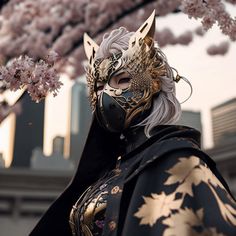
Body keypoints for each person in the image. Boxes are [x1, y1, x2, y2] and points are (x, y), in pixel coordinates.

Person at [30, 11, 236, 236]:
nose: (106, 95)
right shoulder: (111, 168)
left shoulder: (181, 162)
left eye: (123, 80)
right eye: (98, 87)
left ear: (154, 83)